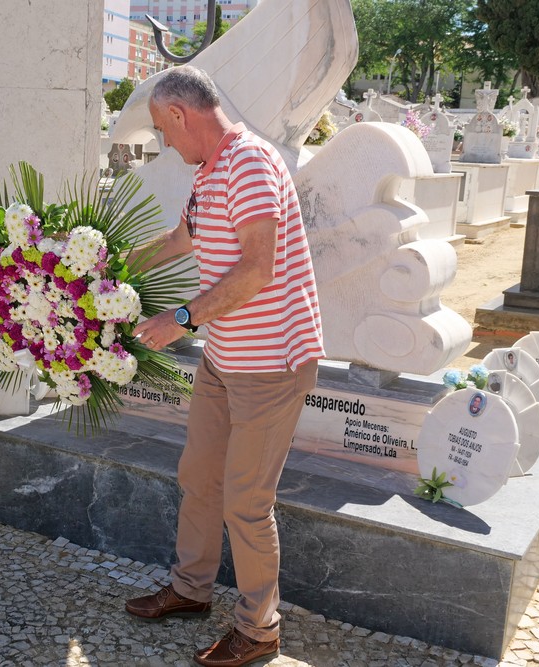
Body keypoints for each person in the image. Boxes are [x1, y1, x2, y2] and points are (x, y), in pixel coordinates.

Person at [124, 66, 324, 666]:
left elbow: (257, 269)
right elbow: (180, 238)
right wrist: (106, 269)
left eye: (163, 129)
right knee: (200, 478)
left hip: (271, 363)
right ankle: (191, 589)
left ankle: (260, 629)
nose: (165, 142)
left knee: (246, 502)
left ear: (180, 114)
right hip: (224, 357)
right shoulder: (209, 169)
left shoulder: (250, 163)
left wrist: (181, 319)